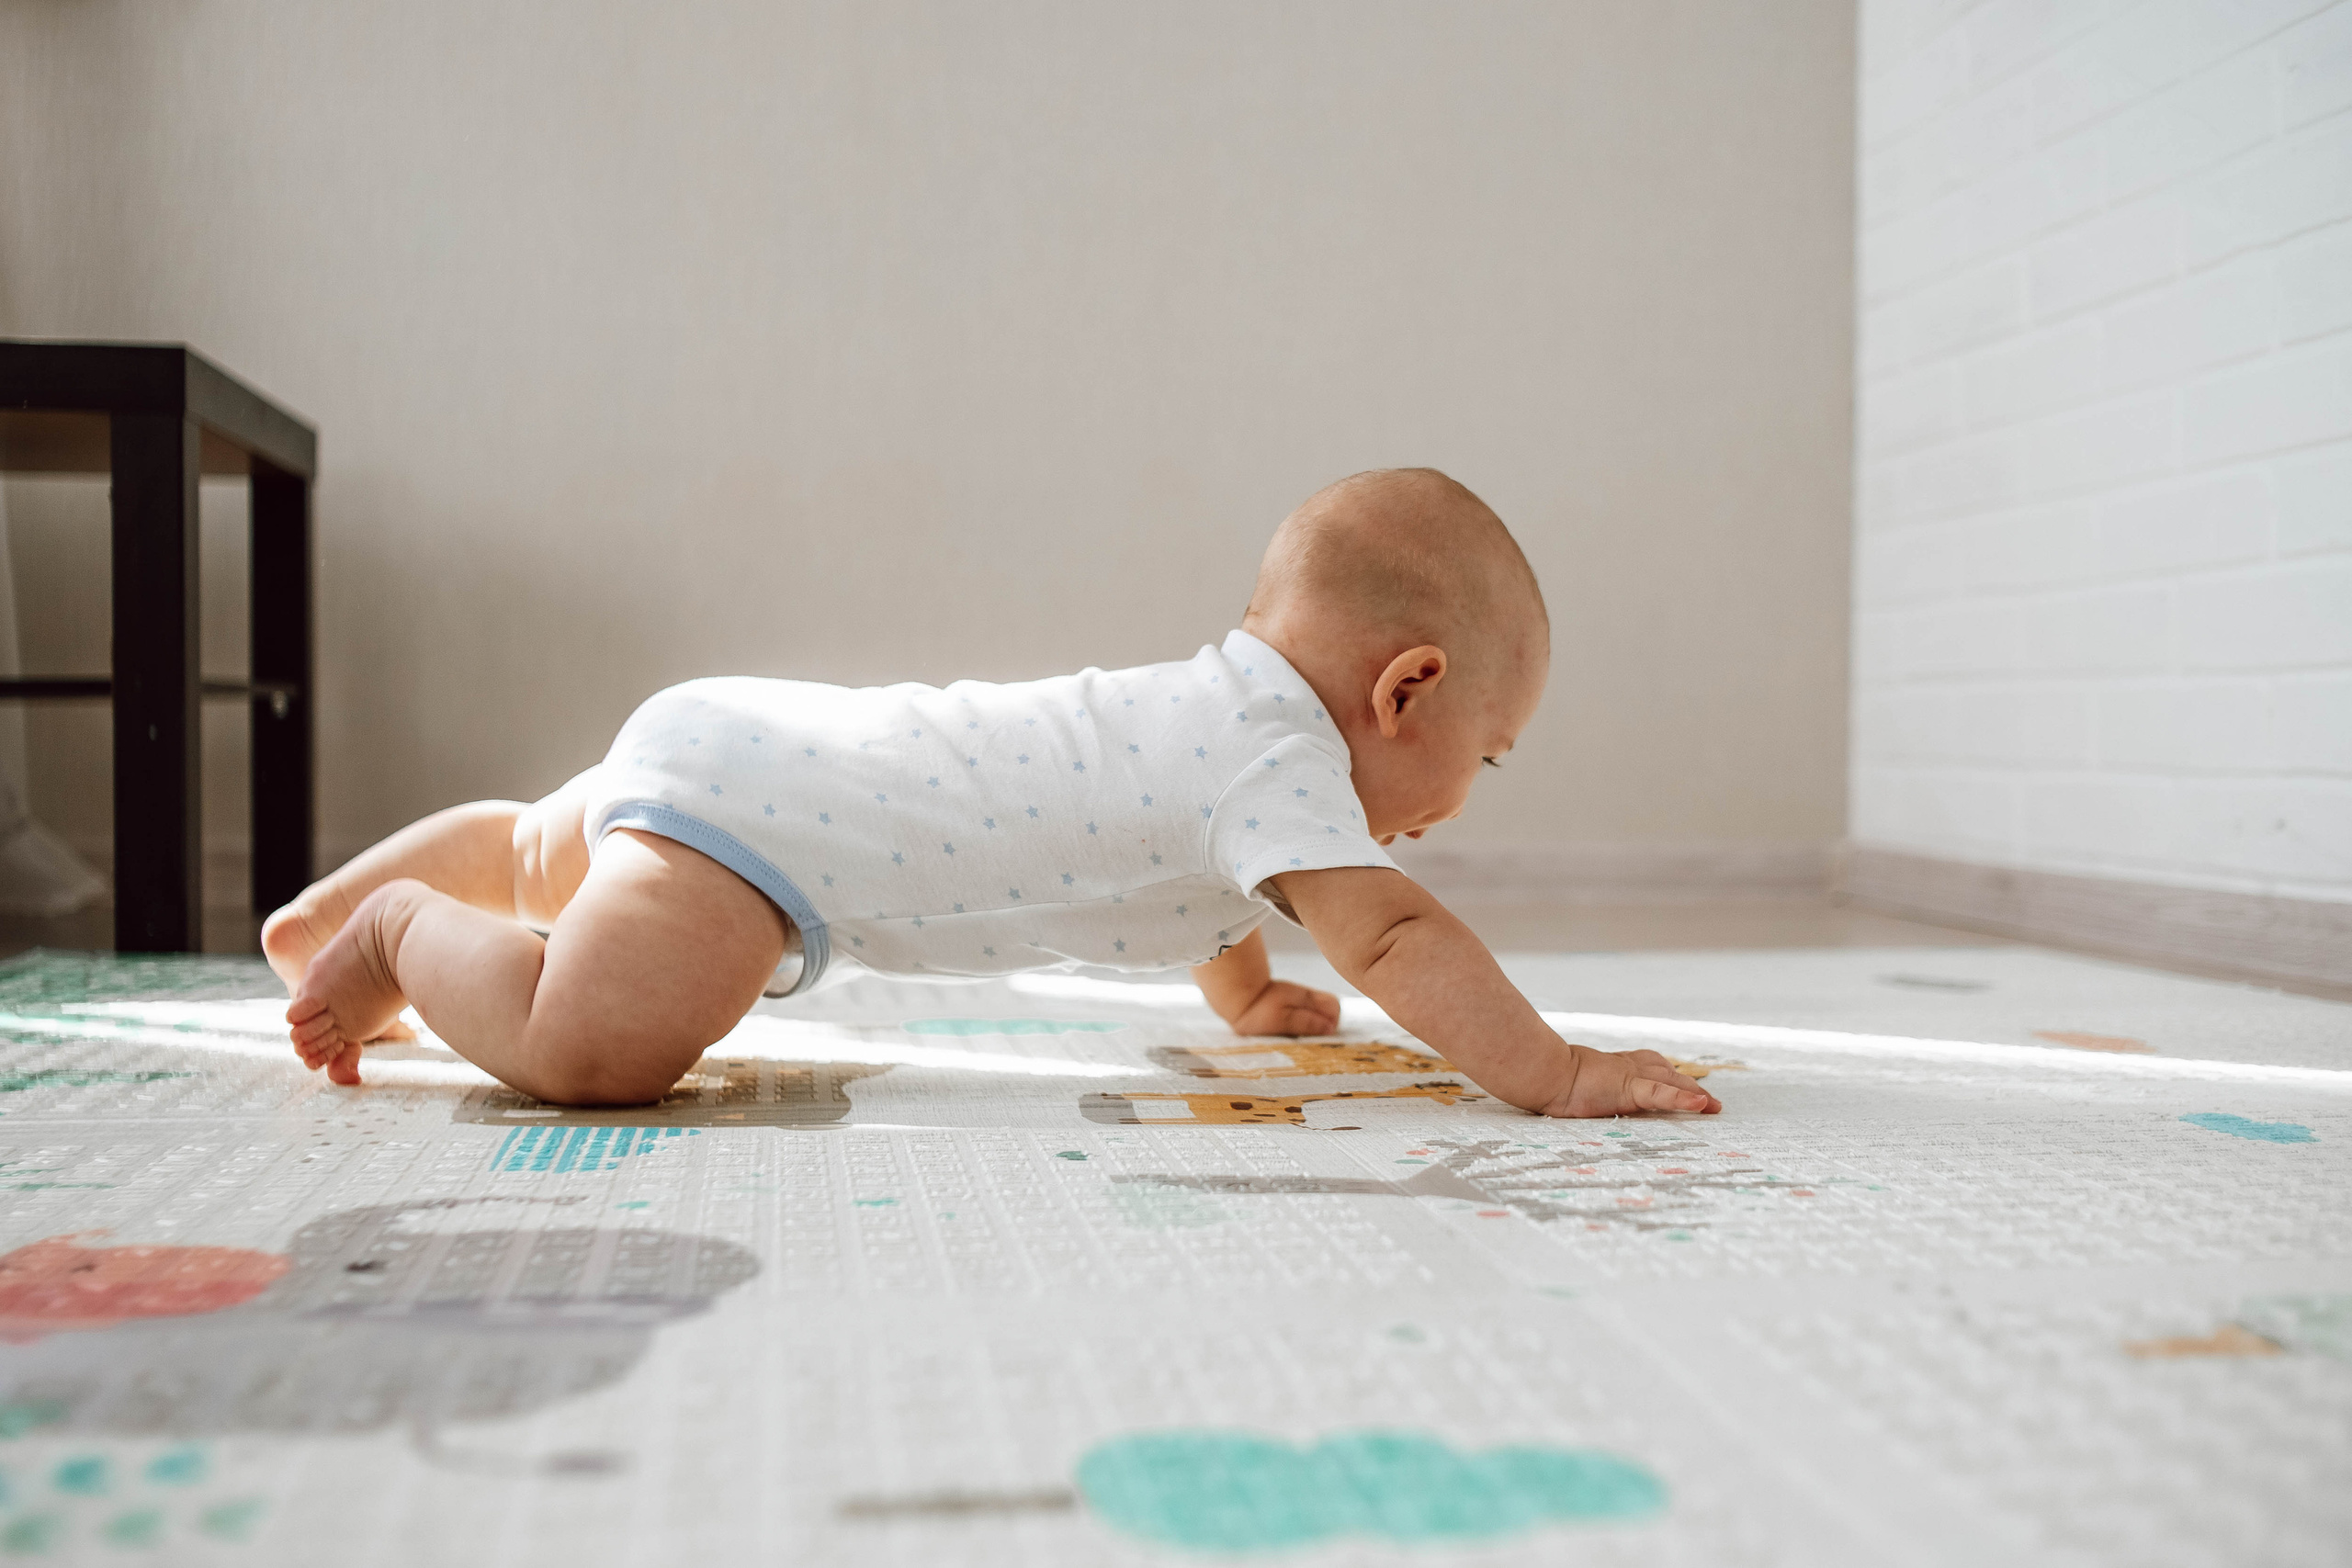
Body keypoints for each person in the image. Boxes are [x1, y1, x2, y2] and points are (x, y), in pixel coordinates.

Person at [265, 468, 1721, 1122]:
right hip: (762, 849)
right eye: (1489, 752)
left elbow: (1179, 874)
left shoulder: (1222, 736)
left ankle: (355, 895)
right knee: (592, 1054)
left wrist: (1243, 1000)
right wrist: (1555, 1072)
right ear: (1404, 689)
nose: (1468, 799)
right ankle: (397, 932)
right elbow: (1398, 941)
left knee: (547, 850)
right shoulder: (1278, 766)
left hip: (747, 746)